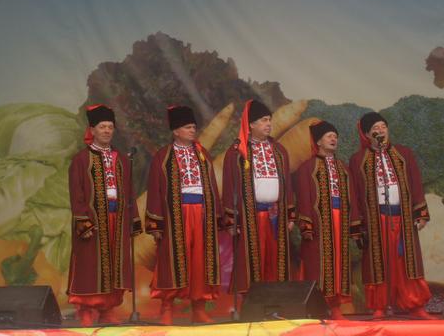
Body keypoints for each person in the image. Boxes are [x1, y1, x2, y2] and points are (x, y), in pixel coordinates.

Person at [349, 112, 435, 320]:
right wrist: (357, 226)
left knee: (407, 262)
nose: (380, 131)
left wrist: (421, 212)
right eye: (375, 129)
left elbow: (415, 182)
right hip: (376, 220)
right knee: (379, 263)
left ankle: (415, 306)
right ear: (367, 135)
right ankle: (379, 306)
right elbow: (355, 194)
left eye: (383, 126)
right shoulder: (358, 160)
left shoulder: (404, 154)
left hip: (403, 218)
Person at [145, 105, 223, 324]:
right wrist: (155, 223)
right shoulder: (163, 156)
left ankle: (198, 307)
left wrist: (217, 215)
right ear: (176, 131)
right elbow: (155, 190)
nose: (192, 130)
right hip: (175, 216)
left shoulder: (202, 154)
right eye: (188, 127)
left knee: (201, 260)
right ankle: (167, 308)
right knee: (171, 261)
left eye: (194, 127)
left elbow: (212, 186)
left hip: (201, 214)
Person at [67, 104, 142, 326]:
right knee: (90, 265)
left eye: (110, 127)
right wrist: (83, 221)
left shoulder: (122, 159)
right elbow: (76, 194)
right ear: (92, 130)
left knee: (115, 264)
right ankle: (86, 310)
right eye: (102, 127)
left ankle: (107, 309)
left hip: (117, 219)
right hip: (93, 220)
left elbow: (130, 192)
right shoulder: (81, 159)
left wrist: (133, 220)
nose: (107, 131)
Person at [222, 100, 295, 294]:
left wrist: (290, 215)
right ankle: (250, 302)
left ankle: (275, 301)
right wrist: (231, 221)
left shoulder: (279, 151)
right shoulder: (237, 153)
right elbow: (229, 188)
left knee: (275, 260)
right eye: (264, 120)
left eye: (269, 120)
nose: (269, 124)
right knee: (251, 260)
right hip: (250, 217)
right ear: (251, 124)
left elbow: (287, 184)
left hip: (276, 215)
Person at [295, 121, 362, 320]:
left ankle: (338, 305)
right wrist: (306, 225)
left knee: (339, 261)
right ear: (318, 141)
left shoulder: (343, 168)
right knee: (318, 263)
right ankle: (320, 306)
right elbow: (304, 198)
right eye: (329, 136)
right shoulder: (307, 168)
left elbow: (352, 197)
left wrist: (354, 224)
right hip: (319, 221)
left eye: (335, 136)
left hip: (340, 219)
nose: (334, 139)